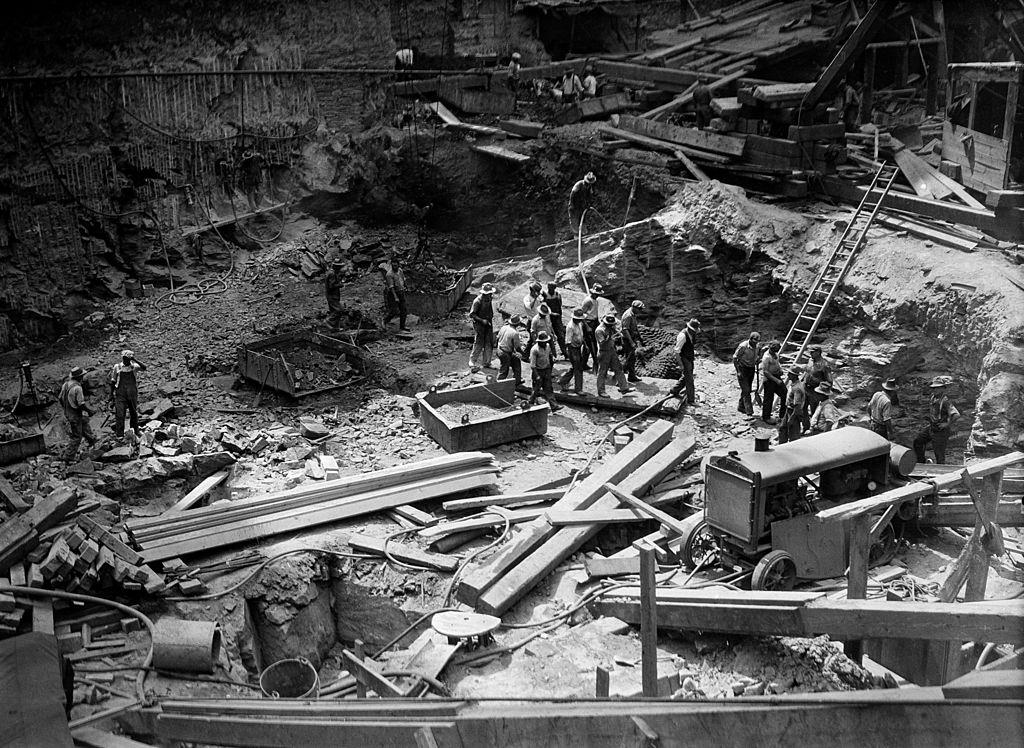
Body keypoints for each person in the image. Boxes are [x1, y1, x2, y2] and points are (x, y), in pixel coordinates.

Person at [913, 377, 959, 464]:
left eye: (938, 388)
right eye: (934, 388)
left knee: (939, 454)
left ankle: (941, 474)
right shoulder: (933, 398)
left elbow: (956, 415)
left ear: (943, 388)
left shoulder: (945, 401)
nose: (935, 390)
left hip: (941, 431)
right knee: (918, 441)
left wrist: (947, 424)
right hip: (932, 428)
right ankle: (921, 462)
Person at [59, 366, 96, 461]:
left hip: (68, 412)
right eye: (82, 376)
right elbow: (81, 404)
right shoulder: (77, 388)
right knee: (77, 436)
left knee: (84, 422)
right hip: (74, 414)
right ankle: (68, 456)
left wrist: (66, 408)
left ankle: (92, 440)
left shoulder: (65, 385)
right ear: (79, 377)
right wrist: (90, 411)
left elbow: (60, 398)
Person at [109, 349, 147, 440]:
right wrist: (111, 394)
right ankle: (120, 435)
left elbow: (144, 367)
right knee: (120, 413)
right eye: (124, 358)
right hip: (120, 393)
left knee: (133, 412)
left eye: (127, 358)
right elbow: (113, 381)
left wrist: (135, 359)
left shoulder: (134, 366)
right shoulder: (117, 367)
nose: (125, 360)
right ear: (122, 358)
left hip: (132, 393)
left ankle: (135, 430)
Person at [595, 315, 633, 398]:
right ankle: (601, 391)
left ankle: (624, 388)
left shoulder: (611, 327)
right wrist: (610, 338)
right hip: (604, 352)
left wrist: (619, 333)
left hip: (611, 350)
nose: (611, 326)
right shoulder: (599, 330)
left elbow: (616, 331)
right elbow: (601, 343)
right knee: (602, 372)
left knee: (618, 368)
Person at [670, 319, 700, 405]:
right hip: (684, 358)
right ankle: (691, 400)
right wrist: (681, 365)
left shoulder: (692, 334)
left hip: (690, 357)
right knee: (690, 379)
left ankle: (674, 390)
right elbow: (676, 351)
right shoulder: (682, 336)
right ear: (689, 328)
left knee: (687, 375)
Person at [802, 346, 833, 430]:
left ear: (818, 352)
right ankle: (806, 427)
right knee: (803, 408)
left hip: (815, 391)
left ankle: (815, 429)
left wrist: (820, 387)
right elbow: (807, 372)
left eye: (812, 352)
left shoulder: (825, 365)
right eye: (810, 352)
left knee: (814, 412)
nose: (810, 354)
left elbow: (829, 381)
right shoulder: (810, 361)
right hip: (806, 389)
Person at [529, 331, 561, 411]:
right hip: (538, 371)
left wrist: (552, 359)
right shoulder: (534, 350)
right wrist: (537, 376)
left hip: (546, 370)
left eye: (545, 341)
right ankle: (529, 405)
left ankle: (554, 406)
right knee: (536, 390)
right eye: (543, 342)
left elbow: (549, 355)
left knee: (549, 388)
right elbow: (532, 365)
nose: (544, 343)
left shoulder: (547, 346)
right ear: (539, 341)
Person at [559, 309, 588, 394]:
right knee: (578, 369)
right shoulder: (570, 326)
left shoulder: (579, 324)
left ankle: (563, 381)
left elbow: (581, 335)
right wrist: (571, 354)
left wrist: (584, 344)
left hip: (578, 347)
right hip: (573, 349)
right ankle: (578, 389)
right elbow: (568, 341)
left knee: (575, 367)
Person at [469, 283, 496, 371]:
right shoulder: (477, 301)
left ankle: (487, 362)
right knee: (479, 343)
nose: (490, 295)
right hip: (479, 324)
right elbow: (472, 314)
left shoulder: (489, 298)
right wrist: (481, 320)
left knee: (489, 342)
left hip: (488, 323)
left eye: (490, 294)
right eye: (488, 294)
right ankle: (472, 361)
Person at [732, 331, 761, 416]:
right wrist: (738, 371)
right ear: (750, 339)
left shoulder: (758, 346)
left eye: (757, 342)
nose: (756, 344)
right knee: (747, 390)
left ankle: (741, 406)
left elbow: (758, 356)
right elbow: (735, 358)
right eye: (754, 342)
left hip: (751, 369)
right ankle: (749, 411)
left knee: (746, 389)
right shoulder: (743, 346)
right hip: (742, 369)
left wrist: (758, 360)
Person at [759, 340, 786, 424]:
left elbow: (777, 363)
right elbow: (765, 372)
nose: (777, 350)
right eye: (776, 348)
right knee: (768, 399)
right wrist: (776, 380)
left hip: (776, 376)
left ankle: (783, 415)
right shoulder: (766, 357)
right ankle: (766, 417)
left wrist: (780, 370)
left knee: (784, 392)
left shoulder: (775, 355)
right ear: (771, 348)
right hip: (769, 379)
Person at [778, 366, 805, 444]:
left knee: (794, 433)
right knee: (782, 428)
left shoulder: (797, 389)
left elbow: (797, 406)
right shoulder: (793, 384)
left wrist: (792, 418)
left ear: (794, 375)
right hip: (789, 410)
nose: (788, 375)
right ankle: (782, 444)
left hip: (793, 412)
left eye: (790, 374)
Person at [620, 300, 645, 383]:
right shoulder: (628, 315)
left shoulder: (633, 314)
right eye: (639, 309)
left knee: (632, 359)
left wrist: (639, 336)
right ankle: (618, 379)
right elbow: (625, 330)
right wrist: (631, 342)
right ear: (634, 308)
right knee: (628, 359)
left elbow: (634, 326)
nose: (640, 311)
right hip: (627, 339)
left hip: (632, 337)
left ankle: (631, 376)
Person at [578, 282, 602, 370]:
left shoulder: (596, 300)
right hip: (588, 323)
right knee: (590, 345)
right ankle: (594, 364)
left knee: (591, 344)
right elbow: (581, 314)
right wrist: (587, 326)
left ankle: (583, 363)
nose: (597, 296)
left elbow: (594, 312)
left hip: (594, 322)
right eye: (596, 294)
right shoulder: (588, 301)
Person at [496, 315, 524, 385]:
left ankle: (517, 381)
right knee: (504, 370)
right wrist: (524, 354)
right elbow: (517, 347)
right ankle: (498, 385)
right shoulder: (515, 333)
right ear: (517, 324)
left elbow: (497, 338)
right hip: (505, 353)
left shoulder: (504, 327)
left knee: (516, 361)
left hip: (500, 349)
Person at [383, 259, 409, 332]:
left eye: (396, 265)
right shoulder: (389, 274)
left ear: (398, 265)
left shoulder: (400, 270)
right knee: (394, 311)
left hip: (401, 292)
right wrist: (395, 297)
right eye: (393, 265)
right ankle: (385, 321)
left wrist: (406, 286)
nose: (394, 267)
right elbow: (391, 287)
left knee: (403, 310)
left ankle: (402, 327)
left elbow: (403, 279)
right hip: (393, 293)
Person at [542, 282, 567, 358]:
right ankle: (550, 354)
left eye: (553, 288)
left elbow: (560, 305)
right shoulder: (544, 294)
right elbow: (544, 308)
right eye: (550, 288)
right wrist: (552, 313)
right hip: (548, 318)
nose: (551, 290)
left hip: (557, 318)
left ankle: (565, 353)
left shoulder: (557, 294)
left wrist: (558, 316)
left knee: (561, 336)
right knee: (548, 335)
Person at [326, 261, 345, 327]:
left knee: (334, 311)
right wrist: (340, 285)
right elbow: (331, 286)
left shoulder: (332, 273)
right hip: (332, 296)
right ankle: (328, 321)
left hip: (333, 295)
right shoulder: (332, 274)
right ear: (336, 267)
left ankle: (335, 327)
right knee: (339, 310)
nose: (340, 268)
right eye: (339, 267)